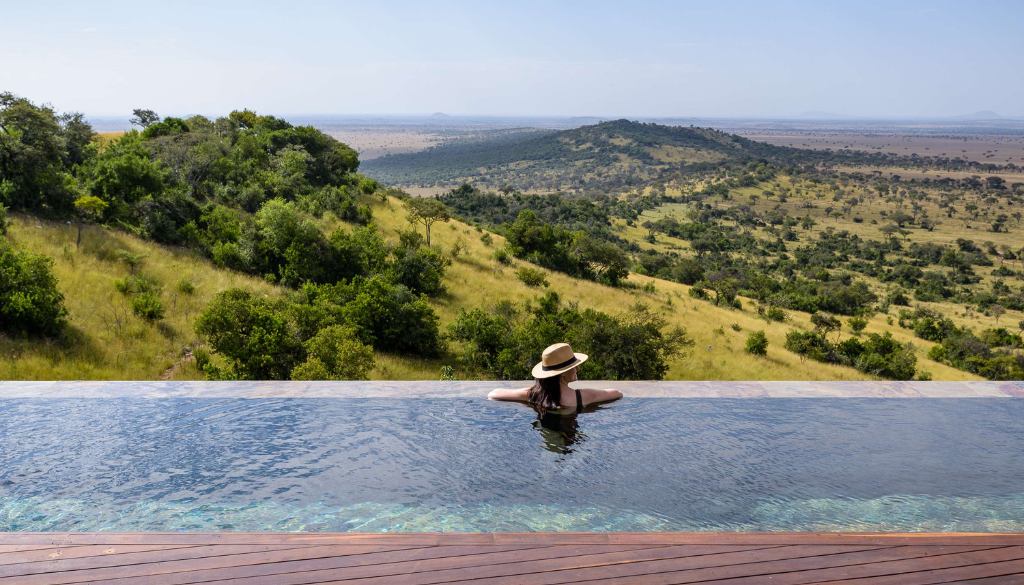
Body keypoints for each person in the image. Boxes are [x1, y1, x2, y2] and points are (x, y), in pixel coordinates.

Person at [487, 343, 622, 414]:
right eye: (574, 366)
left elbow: (493, 394)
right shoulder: (584, 396)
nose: (578, 369)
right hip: (570, 442)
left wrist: (530, 391)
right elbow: (617, 393)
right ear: (562, 373)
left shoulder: (533, 395)